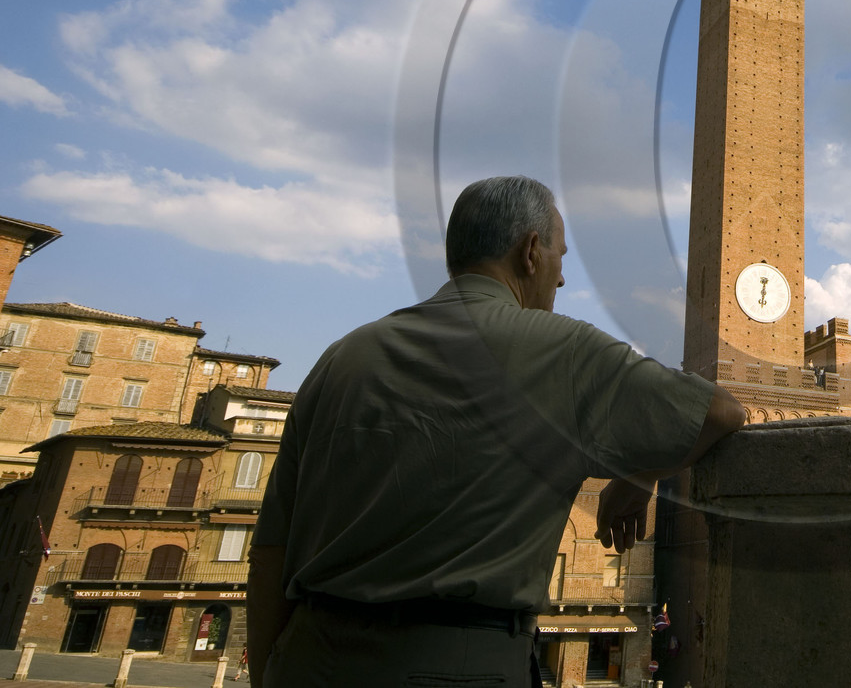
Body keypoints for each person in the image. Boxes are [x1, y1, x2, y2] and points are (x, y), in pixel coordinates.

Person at [245, 176, 747, 687]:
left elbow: (269, 557)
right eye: (561, 258)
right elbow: (724, 413)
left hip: (308, 660)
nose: (562, 281)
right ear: (531, 252)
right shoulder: (564, 352)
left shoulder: (342, 357)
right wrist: (640, 478)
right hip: (461, 665)